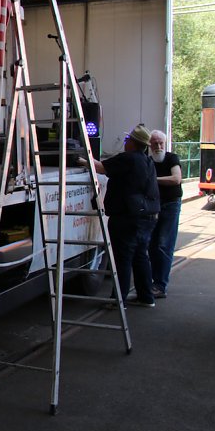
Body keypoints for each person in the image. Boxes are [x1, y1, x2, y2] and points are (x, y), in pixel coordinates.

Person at [83, 124, 159, 308]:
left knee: (122, 259)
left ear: (132, 143)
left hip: (127, 217)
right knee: (140, 257)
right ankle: (146, 297)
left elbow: (100, 167)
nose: (125, 142)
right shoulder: (148, 161)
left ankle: (118, 300)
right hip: (146, 216)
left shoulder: (128, 158)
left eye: (127, 139)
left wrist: (82, 159)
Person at [148, 130, 182, 298]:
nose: (158, 146)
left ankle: (160, 285)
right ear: (149, 145)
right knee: (152, 244)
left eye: (161, 143)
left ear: (165, 143)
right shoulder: (148, 161)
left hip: (170, 205)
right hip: (153, 206)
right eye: (155, 143)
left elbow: (176, 179)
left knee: (163, 244)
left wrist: (153, 180)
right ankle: (154, 282)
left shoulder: (171, 158)